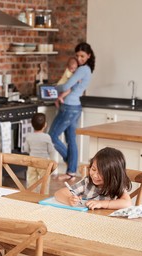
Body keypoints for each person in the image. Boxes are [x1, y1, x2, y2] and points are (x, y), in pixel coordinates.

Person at [49, 42, 96, 180]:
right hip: (75, 107)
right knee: (71, 140)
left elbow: (65, 87)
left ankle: (71, 163)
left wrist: (52, 88)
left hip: (69, 107)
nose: (79, 58)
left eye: (82, 56)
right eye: (77, 55)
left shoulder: (83, 70)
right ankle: (71, 172)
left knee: (52, 136)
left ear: (88, 55)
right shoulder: (86, 70)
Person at [54, 147, 132, 210]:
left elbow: (127, 203)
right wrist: (69, 199)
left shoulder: (116, 185)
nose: (94, 175)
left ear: (113, 175)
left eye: (101, 173)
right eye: (93, 169)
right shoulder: (87, 182)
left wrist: (102, 204)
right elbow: (58, 194)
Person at [23, 113, 56, 194]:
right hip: (44, 163)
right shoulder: (46, 137)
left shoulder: (29, 136)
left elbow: (26, 149)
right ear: (45, 125)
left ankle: (31, 195)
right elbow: (51, 150)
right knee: (44, 181)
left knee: (31, 180)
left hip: (32, 162)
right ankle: (43, 197)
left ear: (32, 124)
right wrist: (52, 161)